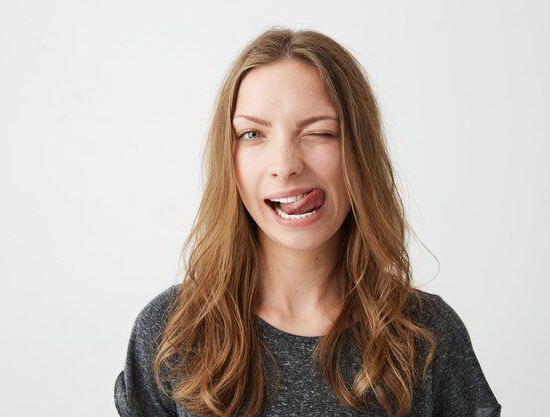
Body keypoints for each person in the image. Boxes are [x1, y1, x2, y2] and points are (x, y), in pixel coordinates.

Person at [114, 28, 501, 417]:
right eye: (252, 134)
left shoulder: (427, 336)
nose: (285, 165)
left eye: (319, 132)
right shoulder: (170, 332)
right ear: (227, 157)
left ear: (359, 152)